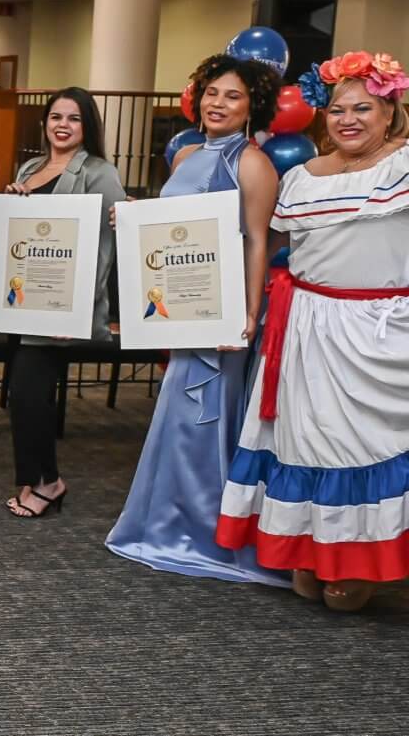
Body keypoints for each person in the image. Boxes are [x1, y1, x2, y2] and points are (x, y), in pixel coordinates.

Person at [217, 51, 409, 611]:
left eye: (364, 109)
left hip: (382, 331)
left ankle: (361, 559)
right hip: (307, 331)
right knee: (309, 441)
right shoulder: (301, 177)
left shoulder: (405, 167)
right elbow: (258, 242)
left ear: (389, 110)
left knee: (371, 442)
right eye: (337, 109)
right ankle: (313, 550)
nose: (348, 119)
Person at [105, 53, 284, 585]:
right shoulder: (185, 157)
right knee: (178, 413)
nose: (218, 104)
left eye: (233, 96)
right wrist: (133, 215)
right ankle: (166, 524)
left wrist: (247, 314)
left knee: (206, 417)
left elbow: (257, 243)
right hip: (181, 308)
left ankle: (202, 532)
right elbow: (172, 227)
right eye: (212, 93)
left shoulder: (252, 162)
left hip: (222, 312)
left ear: (253, 106)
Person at [0, 88, 124, 517]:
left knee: (27, 393)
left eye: (73, 118)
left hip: (60, 308)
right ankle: (49, 480)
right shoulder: (31, 166)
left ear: (86, 126)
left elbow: (106, 247)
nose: (62, 125)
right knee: (33, 395)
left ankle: (37, 483)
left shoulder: (99, 172)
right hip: (24, 300)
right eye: (56, 116)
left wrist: (77, 311)